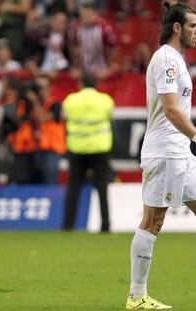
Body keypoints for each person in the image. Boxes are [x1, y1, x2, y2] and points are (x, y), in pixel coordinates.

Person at [126, 2, 196, 309]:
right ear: (177, 28)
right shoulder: (166, 58)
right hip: (165, 152)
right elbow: (170, 108)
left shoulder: (177, 59)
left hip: (180, 152)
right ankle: (136, 295)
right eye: (193, 25)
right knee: (153, 221)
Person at [62, 74, 114, 232]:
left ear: (80, 84)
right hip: (99, 148)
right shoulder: (105, 100)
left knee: (73, 188)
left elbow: (66, 117)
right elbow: (109, 117)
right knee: (102, 189)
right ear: (96, 84)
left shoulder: (70, 100)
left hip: (77, 149)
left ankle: (68, 225)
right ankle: (105, 225)